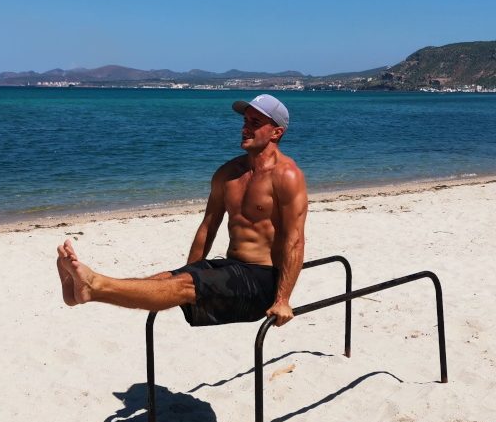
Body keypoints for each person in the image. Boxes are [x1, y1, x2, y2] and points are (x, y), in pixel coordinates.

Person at [56, 94, 308, 327]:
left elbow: (294, 240)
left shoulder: (287, 176)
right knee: (166, 279)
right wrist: (191, 271)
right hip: (232, 268)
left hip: (264, 280)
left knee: (182, 285)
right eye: (245, 121)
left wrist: (283, 299)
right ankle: (84, 292)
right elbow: (208, 227)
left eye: (255, 122)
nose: (245, 128)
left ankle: (94, 286)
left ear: (276, 132)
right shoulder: (228, 174)